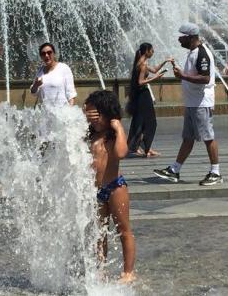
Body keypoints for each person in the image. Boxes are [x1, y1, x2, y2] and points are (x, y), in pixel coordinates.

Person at [153, 23, 223, 186]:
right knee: (188, 138)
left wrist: (183, 76)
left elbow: (205, 78)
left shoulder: (202, 54)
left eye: (182, 36)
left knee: (208, 137)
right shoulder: (193, 53)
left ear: (191, 37)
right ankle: (174, 170)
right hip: (193, 102)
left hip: (201, 102)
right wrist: (183, 75)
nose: (179, 39)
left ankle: (216, 172)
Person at [84, 90, 136, 283]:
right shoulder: (90, 136)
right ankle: (101, 270)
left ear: (107, 113)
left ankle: (128, 271)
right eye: (90, 116)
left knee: (123, 229)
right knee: (100, 233)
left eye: (96, 115)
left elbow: (122, 153)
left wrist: (118, 126)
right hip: (97, 192)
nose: (93, 120)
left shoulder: (113, 136)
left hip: (115, 187)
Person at [126, 42, 170, 158]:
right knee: (151, 122)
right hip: (143, 95)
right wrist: (155, 78)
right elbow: (140, 82)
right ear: (147, 51)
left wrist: (165, 61)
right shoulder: (142, 65)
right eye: (152, 50)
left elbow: (155, 70)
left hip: (142, 95)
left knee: (141, 121)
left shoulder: (141, 62)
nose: (153, 52)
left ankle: (143, 147)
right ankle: (145, 148)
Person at [30, 43, 77, 107]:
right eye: (43, 54)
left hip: (62, 112)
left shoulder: (63, 68)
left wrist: (70, 112)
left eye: (49, 52)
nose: (46, 55)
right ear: (41, 57)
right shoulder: (40, 71)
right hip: (46, 113)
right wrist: (35, 85)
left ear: (54, 54)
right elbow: (34, 93)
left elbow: (71, 93)